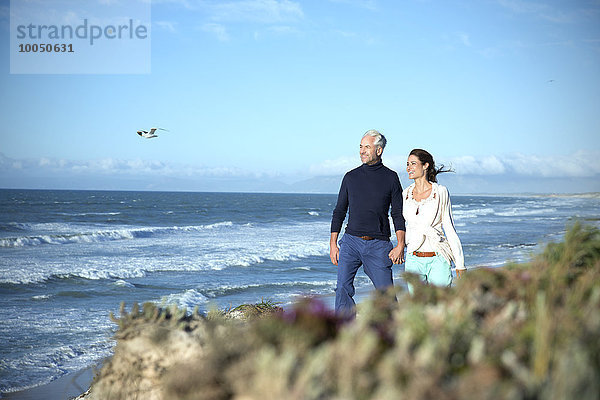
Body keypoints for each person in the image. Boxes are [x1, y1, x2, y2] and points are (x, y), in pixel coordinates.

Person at [330, 129, 406, 317]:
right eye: (361, 147)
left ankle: (391, 336)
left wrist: (400, 244)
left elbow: (397, 214)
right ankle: (344, 332)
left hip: (379, 245)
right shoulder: (350, 177)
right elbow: (339, 211)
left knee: (386, 295)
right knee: (342, 289)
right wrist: (333, 243)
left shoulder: (391, 178)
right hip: (351, 242)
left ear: (379, 150)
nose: (362, 151)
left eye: (367, 147)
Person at [403, 149, 465, 290]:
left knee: (440, 306)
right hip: (413, 259)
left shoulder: (440, 192)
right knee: (418, 308)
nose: (409, 168)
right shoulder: (405, 194)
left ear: (425, 165)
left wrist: (460, 263)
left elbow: (449, 228)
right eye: (407, 164)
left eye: (413, 163)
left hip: (438, 258)